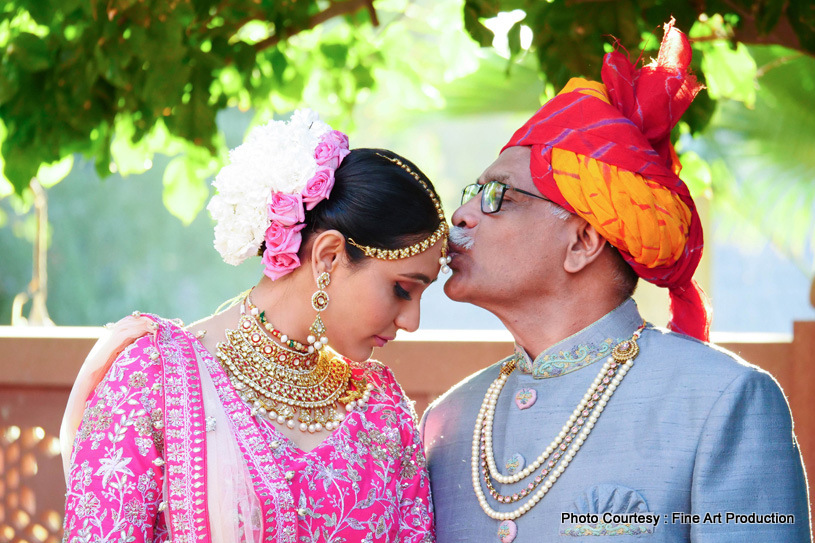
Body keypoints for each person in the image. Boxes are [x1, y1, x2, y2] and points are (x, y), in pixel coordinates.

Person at [421, 20, 811, 543]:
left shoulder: (723, 399)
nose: (462, 215)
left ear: (583, 241)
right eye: (472, 192)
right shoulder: (449, 423)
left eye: (499, 196)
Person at [62, 109, 448, 542]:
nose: (412, 320)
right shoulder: (154, 377)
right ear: (329, 257)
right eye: (402, 289)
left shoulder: (382, 410)